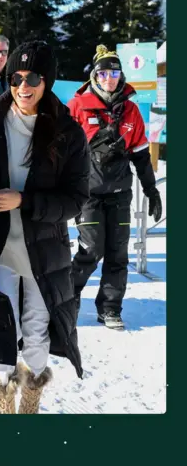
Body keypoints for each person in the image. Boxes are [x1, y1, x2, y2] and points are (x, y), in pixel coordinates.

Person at [0, 42, 90, 414]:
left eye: (32, 77)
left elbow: (75, 199)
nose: (22, 86)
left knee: (36, 337)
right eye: (15, 78)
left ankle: (29, 406)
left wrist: (24, 201)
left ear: (46, 80)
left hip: (42, 250)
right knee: (0, 333)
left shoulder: (68, 132)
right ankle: (4, 407)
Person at [68, 45, 162, 330]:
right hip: (88, 193)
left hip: (120, 193)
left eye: (115, 72)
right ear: (95, 76)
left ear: (121, 75)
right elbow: (60, 151)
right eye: (104, 72)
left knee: (118, 253)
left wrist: (151, 191)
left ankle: (109, 308)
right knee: (91, 249)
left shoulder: (131, 110)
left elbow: (142, 157)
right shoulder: (78, 106)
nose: (109, 78)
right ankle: (65, 302)